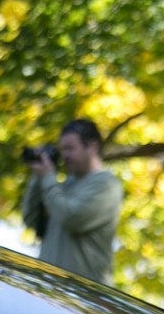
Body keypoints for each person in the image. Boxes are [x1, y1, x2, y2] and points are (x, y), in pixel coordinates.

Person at [19, 118, 123, 284]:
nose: (64, 156)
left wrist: (47, 178)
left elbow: (71, 219)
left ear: (93, 147)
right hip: (50, 291)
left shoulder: (107, 185)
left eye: (70, 148)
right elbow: (31, 220)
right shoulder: (63, 186)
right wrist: (37, 178)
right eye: (62, 150)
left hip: (84, 298)